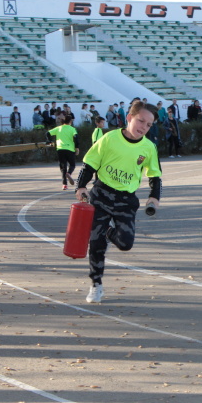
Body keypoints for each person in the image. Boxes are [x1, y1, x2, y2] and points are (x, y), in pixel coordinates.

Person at [75, 101, 162, 304]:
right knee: (96, 244)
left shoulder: (149, 147)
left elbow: (155, 176)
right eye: (141, 121)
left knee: (125, 244)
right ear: (129, 118)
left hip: (126, 200)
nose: (144, 127)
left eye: (149, 125)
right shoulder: (110, 138)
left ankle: (106, 231)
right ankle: (96, 284)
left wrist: (154, 197)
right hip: (101, 195)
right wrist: (80, 186)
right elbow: (89, 164)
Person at [47, 114, 79, 190]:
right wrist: (77, 147)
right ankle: (69, 173)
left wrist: (50, 141)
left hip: (60, 149)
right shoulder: (72, 129)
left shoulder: (58, 128)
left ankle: (64, 184)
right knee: (72, 164)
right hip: (70, 149)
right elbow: (76, 138)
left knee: (63, 167)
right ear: (70, 121)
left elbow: (47, 133)